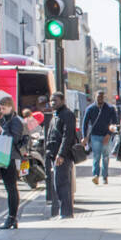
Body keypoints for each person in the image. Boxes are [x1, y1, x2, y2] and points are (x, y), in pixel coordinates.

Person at [0, 96, 24, 229]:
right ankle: (12, 219)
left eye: (4, 108)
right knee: (9, 188)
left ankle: (12, 218)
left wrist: (1, 129)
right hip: (2, 157)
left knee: (12, 188)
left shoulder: (16, 121)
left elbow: (14, 139)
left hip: (11, 157)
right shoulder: (2, 119)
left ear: (10, 107)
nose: (1, 111)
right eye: (0, 108)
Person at [45, 91, 76, 220]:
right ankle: (63, 211)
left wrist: (61, 154)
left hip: (62, 156)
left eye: (55, 100)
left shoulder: (67, 115)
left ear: (62, 101)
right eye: (51, 101)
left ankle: (66, 212)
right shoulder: (56, 115)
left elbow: (67, 136)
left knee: (62, 184)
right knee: (58, 184)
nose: (52, 103)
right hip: (54, 155)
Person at [81, 90, 119, 185]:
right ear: (95, 97)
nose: (100, 99)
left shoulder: (110, 108)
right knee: (96, 156)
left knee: (105, 157)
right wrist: (84, 136)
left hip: (106, 136)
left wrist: (109, 134)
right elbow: (84, 123)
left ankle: (105, 176)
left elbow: (115, 122)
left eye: (101, 97)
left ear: (104, 97)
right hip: (95, 136)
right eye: (98, 97)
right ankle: (96, 176)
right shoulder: (90, 109)